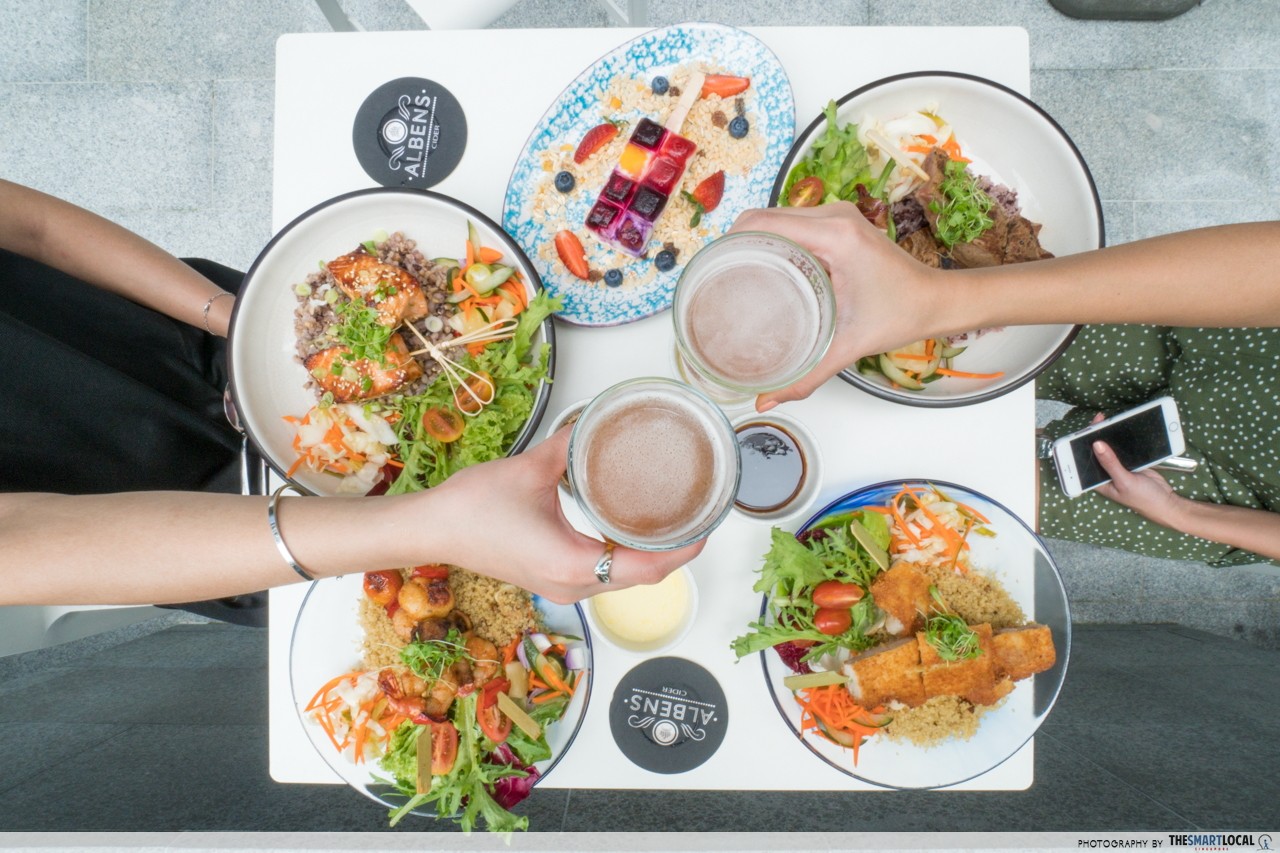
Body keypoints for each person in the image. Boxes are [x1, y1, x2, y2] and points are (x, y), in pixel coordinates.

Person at [0, 180, 700, 608]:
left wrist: (231, 320)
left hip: (194, 333)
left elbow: (33, 227)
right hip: (195, 528)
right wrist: (431, 527)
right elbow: (24, 543)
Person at [732, 202, 1280, 565]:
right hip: (1241, 341)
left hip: (1240, 494)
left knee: (951, 490)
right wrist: (939, 299)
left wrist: (1186, 515)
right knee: (990, 348)